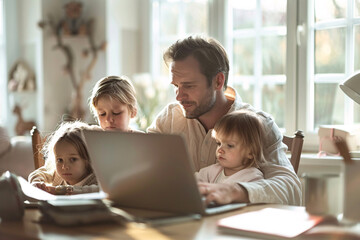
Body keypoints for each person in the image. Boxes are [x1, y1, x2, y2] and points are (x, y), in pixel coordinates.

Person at [147, 35, 302, 206]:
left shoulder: (258, 124)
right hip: (179, 222)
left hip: (234, 228)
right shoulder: (168, 119)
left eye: (188, 86)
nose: (179, 96)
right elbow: (141, 167)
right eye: (176, 86)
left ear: (218, 81)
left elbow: (291, 189)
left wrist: (234, 191)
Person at [28, 121, 100, 195]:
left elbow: (97, 190)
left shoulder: (97, 180)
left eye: (73, 159)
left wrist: (62, 190)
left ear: (88, 159)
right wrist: (37, 183)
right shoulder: (57, 175)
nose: (64, 167)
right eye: (60, 160)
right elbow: (37, 174)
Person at [196, 110, 264, 183]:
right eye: (219, 143)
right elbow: (192, 181)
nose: (220, 150)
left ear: (250, 152)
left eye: (230, 146)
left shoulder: (252, 177)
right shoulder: (213, 171)